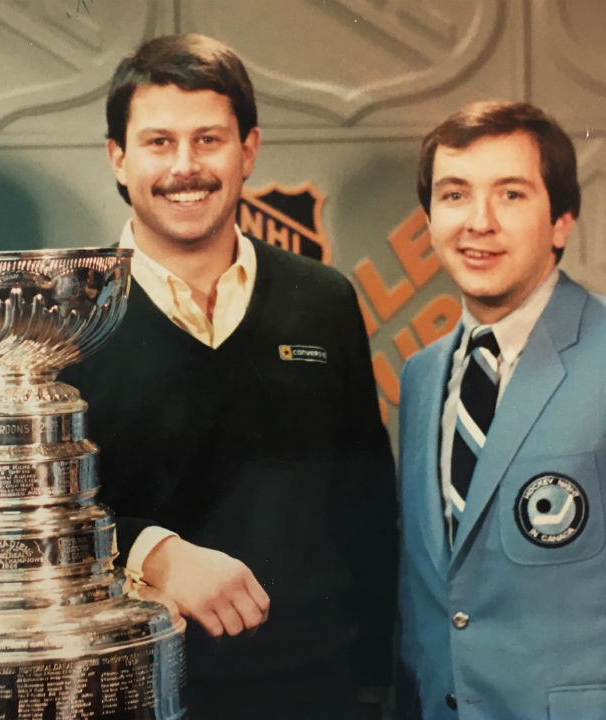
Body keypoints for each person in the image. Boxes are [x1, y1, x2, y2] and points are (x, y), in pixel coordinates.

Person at [57, 33, 397, 719]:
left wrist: (372, 685)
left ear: (249, 150)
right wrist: (151, 552)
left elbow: (365, 511)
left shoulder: (323, 298)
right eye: (158, 143)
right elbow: (25, 524)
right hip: (123, 690)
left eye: (208, 140)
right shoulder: (61, 312)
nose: (186, 167)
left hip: (313, 686)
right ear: (118, 160)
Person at [394, 100, 606, 719]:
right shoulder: (423, 376)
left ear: (561, 220)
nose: (478, 222)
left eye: (511, 194)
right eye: (454, 195)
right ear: (429, 218)